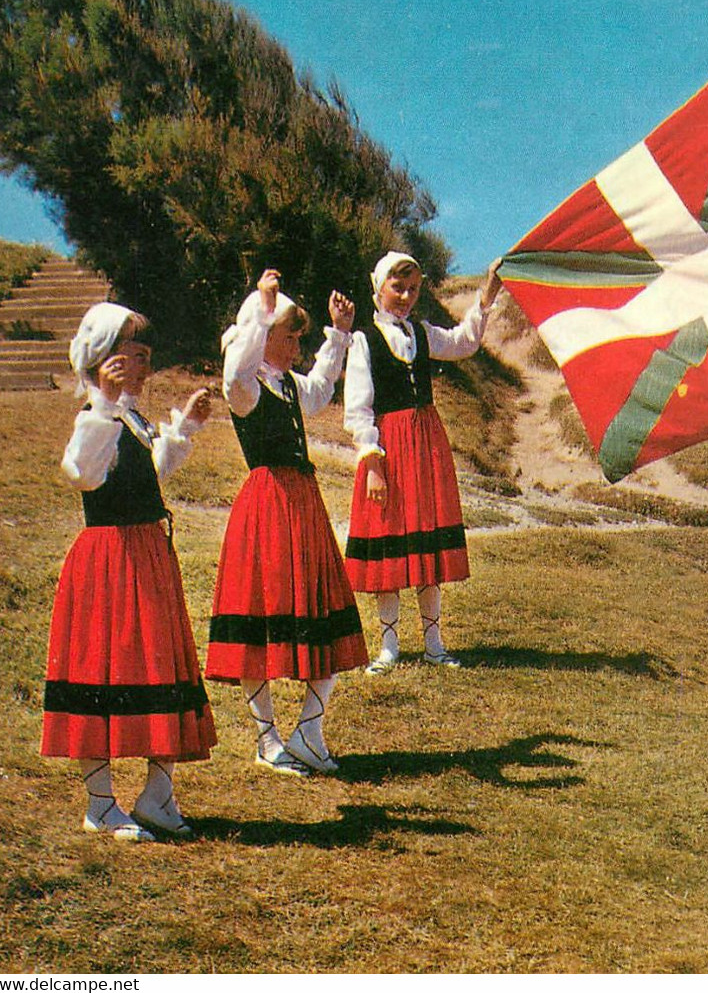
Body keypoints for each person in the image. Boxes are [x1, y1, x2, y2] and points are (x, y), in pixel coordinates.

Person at [43, 302, 216, 840]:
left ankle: (157, 795)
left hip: (147, 557)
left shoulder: (133, 419)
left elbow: (153, 466)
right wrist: (104, 402)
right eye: (131, 356)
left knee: (161, 668)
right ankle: (100, 803)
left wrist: (184, 425)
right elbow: (83, 473)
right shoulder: (97, 419)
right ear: (102, 360)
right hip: (110, 560)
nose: (142, 366)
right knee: (105, 670)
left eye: (145, 357)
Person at [206, 271, 366, 775]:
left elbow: (320, 387)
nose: (297, 343)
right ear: (264, 337)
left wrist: (337, 335)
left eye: (299, 336)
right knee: (261, 625)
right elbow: (234, 372)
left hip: (303, 504)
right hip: (267, 506)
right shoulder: (246, 389)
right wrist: (261, 306)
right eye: (290, 335)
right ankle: (267, 738)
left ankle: (308, 732)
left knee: (327, 617)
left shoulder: (289, 386)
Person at [344, 251, 501, 674]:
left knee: (426, 542)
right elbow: (358, 409)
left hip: (426, 445)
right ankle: (389, 646)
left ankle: (434, 642)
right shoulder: (364, 340)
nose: (406, 297)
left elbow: (464, 342)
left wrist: (486, 295)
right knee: (390, 546)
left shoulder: (422, 334)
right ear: (379, 288)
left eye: (413, 289)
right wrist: (373, 463)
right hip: (390, 450)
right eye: (398, 288)